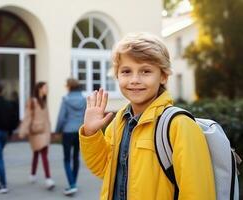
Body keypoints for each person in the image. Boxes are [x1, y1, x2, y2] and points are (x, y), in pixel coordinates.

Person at [79, 32, 216, 199]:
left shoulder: (179, 125)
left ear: (164, 76)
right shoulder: (119, 122)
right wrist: (91, 133)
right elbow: (104, 170)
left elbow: (198, 193)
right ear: (117, 75)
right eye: (126, 71)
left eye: (145, 71)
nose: (134, 80)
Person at [19, 82, 55, 190]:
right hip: (36, 131)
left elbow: (46, 118)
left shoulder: (44, 100)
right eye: (45, 87)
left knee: (37, 153)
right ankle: (48, 179)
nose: (47, 89)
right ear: (39, 88)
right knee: (42, 154)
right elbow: (27, 117)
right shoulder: (32, 101)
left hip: (45, 131)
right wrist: (23, 131)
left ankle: (32, 174)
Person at [55, 78, 86, 196]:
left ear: (69, 86)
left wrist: (57, 130)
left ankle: (72, 184)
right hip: (78, 131)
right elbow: (85, 116)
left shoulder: (66, 99)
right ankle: (73, 182)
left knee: (67, 159)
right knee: (76, 157)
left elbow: (61, 117)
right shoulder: (83, 100)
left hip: (67, 132)